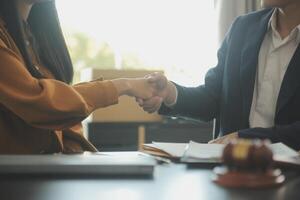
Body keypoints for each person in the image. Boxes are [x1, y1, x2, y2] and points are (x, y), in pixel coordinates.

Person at [138, 0, 300, 150]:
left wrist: (245, 138)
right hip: (231, 171)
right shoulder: (242, 28)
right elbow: (213, 98)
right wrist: (169, 92)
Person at [0, 0, 157, 154]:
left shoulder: (35, 37)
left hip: (40, 173)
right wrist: (124, 85)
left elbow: (59, 117)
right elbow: (40, 103)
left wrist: (73, 145)